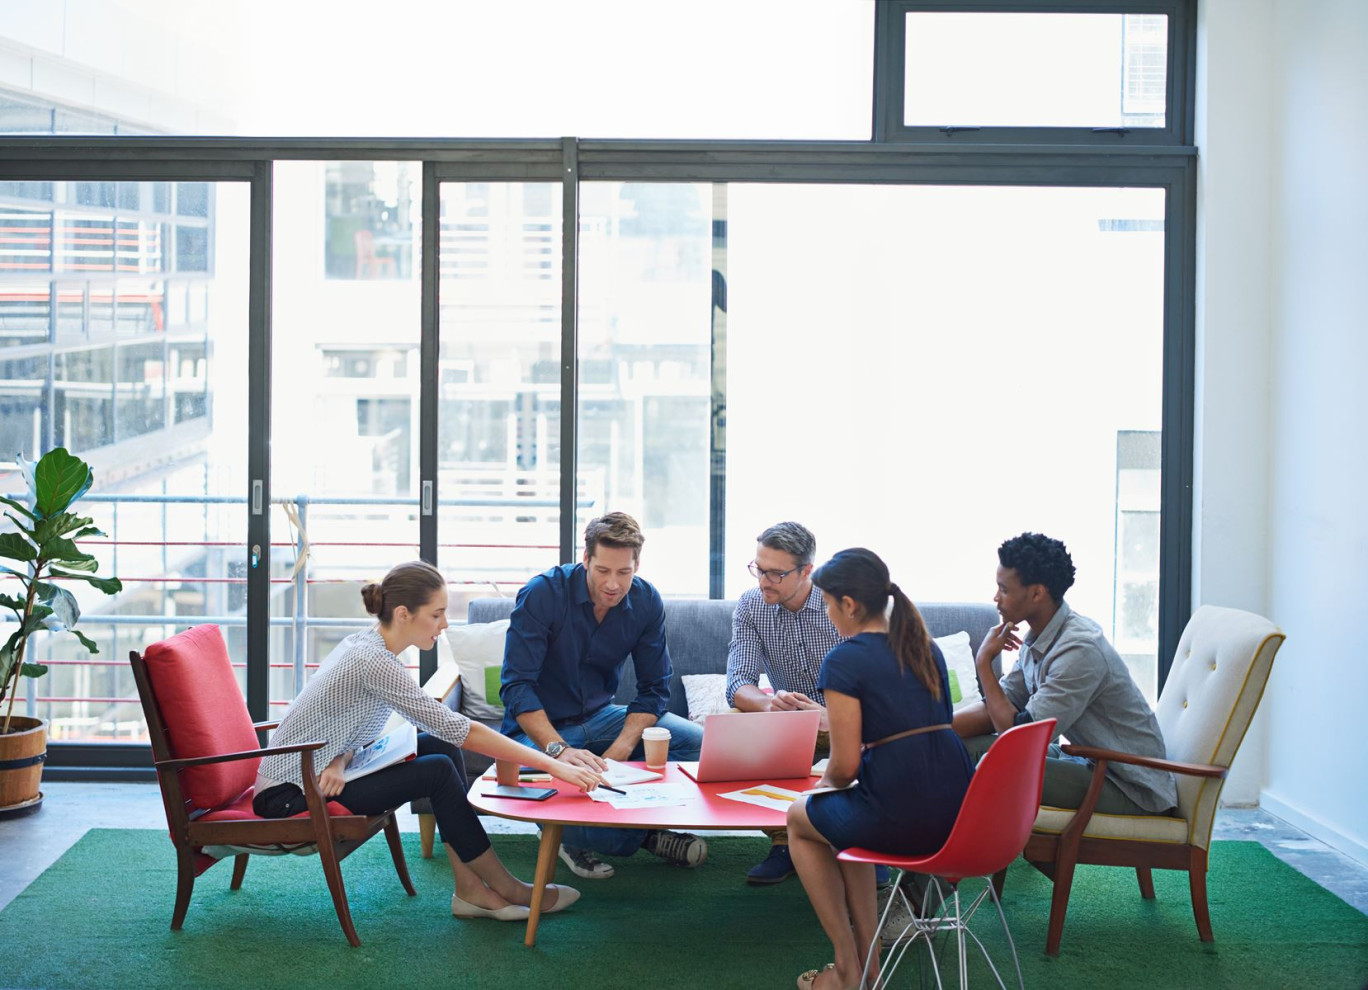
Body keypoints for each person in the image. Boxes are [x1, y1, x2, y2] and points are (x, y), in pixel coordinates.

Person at [256, 561, 602, 923]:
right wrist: (552, 762)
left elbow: (336, 725)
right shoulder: (372, 660)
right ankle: (509, 888)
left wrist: (339, 760)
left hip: (315, 773)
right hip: (288, 795)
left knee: (441, 749)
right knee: (437, 767)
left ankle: (470, 890)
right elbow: (459, 727)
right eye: (437, 614)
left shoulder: (370, 646)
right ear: (404, 614)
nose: (445, 624)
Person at [788, 549, 974, 990]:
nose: (828, 613)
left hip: (902, 815)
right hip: (961, 816)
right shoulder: (924, 646)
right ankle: (869, 964)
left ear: (848, 605)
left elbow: (846, 765)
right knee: (846, 823)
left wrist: (818, 789)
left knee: (799, 819)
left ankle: (849, 964)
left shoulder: (844, 660)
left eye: (828, 604)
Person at [499, 511, 707, 880]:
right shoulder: (543, 593)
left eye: (624, 573)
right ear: (586, 559)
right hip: (537, 733)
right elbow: (517, 687)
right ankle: (639, 837)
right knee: (538, 783)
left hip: (601, 718)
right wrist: (558, 752)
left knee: (698, 745)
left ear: (636, 565)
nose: (613, 584)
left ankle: (599, 827)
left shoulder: (645, 601)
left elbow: (655, 687)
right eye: (603, 571)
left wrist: (622, 748)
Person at [952, 532, 1178, 816]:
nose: (995, 598)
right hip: (1088, 761)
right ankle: (924, 842)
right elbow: (999, 708)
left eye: (1004, 590)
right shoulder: (1040, 637)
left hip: (1128, 785)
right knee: (957, 746)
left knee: (998, 767)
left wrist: (983, 661)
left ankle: (971, 857)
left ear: (1036, 593)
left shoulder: (1079, 649)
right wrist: (930, 731)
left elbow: (1015, 734)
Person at [727, 521, 842, 885]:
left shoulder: (840, 604)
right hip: (789, 725)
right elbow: (738, 683)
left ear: (807, 571)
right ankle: (784, 843)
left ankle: (859, 843)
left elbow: (879, 686)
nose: (763, 581)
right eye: (759, 569)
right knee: (737, 724)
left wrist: (832, 717)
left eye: (775, 574)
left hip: (848, 722)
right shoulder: (749, 606)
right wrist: (769, 708)